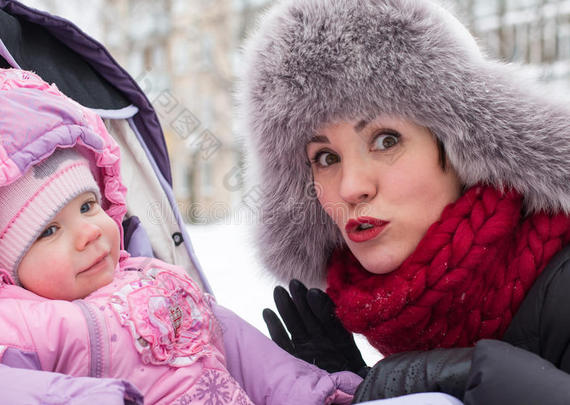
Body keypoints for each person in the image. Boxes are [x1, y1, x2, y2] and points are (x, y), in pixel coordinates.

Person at [0, 61, 361, 404]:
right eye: (48, 231)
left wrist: (312, 391)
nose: (87, 232)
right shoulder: (9, 327)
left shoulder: (157, 278)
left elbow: (242, 350)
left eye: (87, 206)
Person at [239, 0, 570, 403]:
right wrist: (357, 391)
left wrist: (485, 379)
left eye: (385, 140)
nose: (351, 187)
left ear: (466, 150)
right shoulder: (394, 323)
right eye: (326, 158)